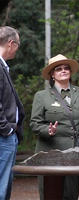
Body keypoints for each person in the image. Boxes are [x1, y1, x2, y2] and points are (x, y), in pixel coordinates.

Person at [30, 54, 79, 200]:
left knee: (71, 195)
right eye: (59, 69)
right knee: (51, 195)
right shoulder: (41, 96)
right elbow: (35, 123)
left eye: (66, 68)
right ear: (52, 75)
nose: (63, 70)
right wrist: (47, 130)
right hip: (51, 155)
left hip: (76, 154)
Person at [0, 26, 25, 200]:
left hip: (7, 135)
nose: (17, 49)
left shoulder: (3, 66)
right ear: (11, 43)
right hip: (3, 137)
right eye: (18, 45)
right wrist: (7, 130)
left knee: (5, 188)